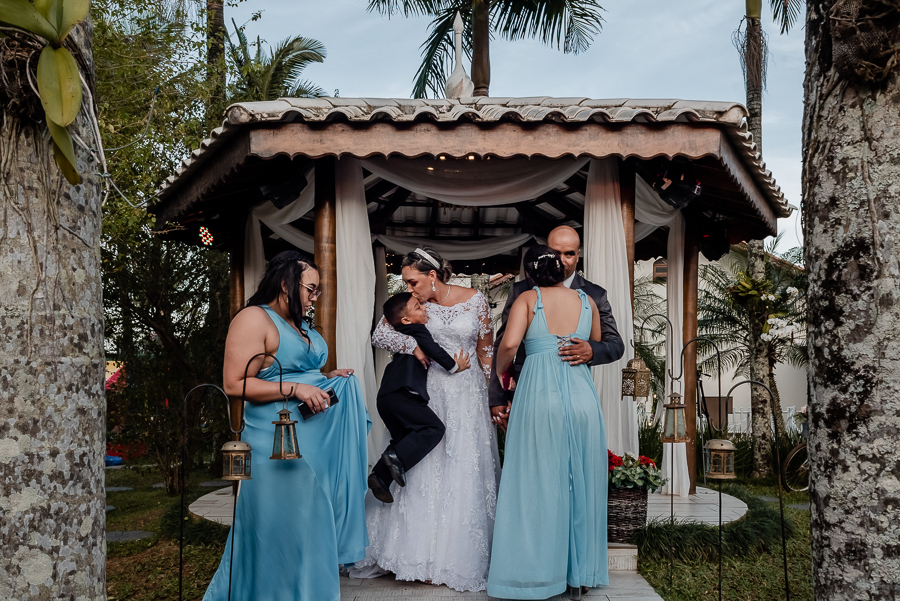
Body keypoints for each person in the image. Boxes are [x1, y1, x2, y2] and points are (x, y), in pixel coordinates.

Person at [203, 251, 370, 601]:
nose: (314, 297)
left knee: (311, 522)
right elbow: (234, 383)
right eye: (310, 289)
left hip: (315, 437)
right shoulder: (254, 319)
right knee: (281, 527)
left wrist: (326, 378)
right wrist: (296, 388)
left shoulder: (300, 323)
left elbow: (297, 370)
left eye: (317, 290)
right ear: (285, 284)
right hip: (278, 442)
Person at [352, 247, 500, 592]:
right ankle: (412, 556)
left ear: (432, 276)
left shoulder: (476, 300)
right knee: (424, 467)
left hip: (467, 393)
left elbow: (486, 350)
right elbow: (380, 335)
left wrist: (492, 396)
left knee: (461, 467)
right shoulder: (411, 305)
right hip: (426, 390)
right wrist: (413, 347)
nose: (409, 288)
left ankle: (453, 558)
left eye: (412, 281)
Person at [487, 246, 609, 601]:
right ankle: (580, 574)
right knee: (582, 481)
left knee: (536, 480)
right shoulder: (587, 301)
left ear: (530, 274)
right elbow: (595, 343)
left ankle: (539, 572)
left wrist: (500, 369)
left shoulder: (528, 298)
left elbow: (509, 344)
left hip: (540, 395)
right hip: (582, 395)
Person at [489, 225, 624, 430]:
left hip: (575, 390)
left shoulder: (595, 295)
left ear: (578, 255)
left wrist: (591, 350)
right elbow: (503, 344)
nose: (562, 260)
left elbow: (615, 344)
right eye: (556, 253)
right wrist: (498, 396)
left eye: (569, 254)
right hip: (527, 388)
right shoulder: (521, 290)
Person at [368, 292, 471, 503]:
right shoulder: (416, 330)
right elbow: (433, 349)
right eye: (417, 307)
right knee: (433, 428)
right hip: (401, 393)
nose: (424, 308)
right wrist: (453, 366)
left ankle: (379, 476)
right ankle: (397, 458)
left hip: (386, 396)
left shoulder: (400, 332)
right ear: (406, 320)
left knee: (404, 437)